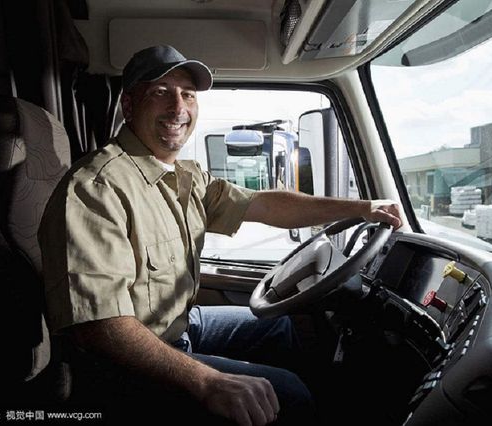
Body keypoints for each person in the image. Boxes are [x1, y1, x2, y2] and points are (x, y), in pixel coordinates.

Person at [39, 45, 402, 425]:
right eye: (161, 92)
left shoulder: (186, 176)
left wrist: (360, 208)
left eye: (188, 95)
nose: (178, 108)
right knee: (290, 393)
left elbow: (264, 204)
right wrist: (207, 381)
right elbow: (100, 329)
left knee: (282, 327)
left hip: (179, 324)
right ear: (129, 106)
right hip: (124, 369)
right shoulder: (95, 189)